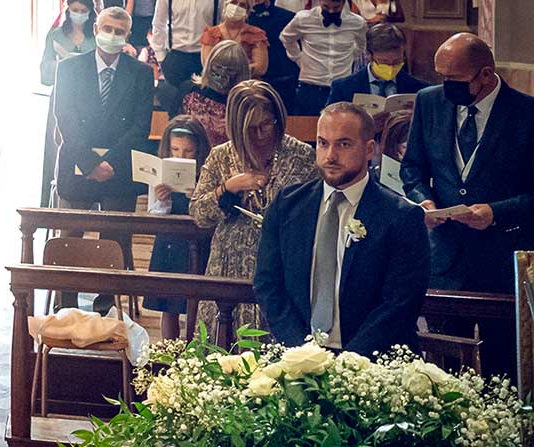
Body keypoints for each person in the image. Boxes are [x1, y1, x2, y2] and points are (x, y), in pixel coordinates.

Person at [253, 102, 428, 354]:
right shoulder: (287, 205)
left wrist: (348, 362)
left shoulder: (401, 216)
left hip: (372, 360)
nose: (330, 156)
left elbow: (400, 303)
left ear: (369, 149)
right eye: (323, 143)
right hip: (299, 356)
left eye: (343, 144)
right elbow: (268, 284)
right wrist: (303, 353)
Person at [400, 32, 534, 292]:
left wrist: (495, 212)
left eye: (455, 79)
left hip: (502, 258)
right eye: (442, 77)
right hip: (443, 257)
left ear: (486, 74)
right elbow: (412, 167)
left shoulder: (527, 113)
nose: (446, 85)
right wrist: (423, 201)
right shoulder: (428, 101)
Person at [190, 79, 316, 344]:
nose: (260, 134)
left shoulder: (301, 155)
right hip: (230, 263)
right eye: (251, 129)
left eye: (266, 124)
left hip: (283, 265)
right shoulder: (222, 156)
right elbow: (199, 214)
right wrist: (227, 189)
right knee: (223, 348)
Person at [50, 7, 154, 309]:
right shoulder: (69, 68)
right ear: (96, 29)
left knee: (115, 238)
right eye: (107, 29)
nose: (112, 35)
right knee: (70, 236)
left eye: (119, 31)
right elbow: (65, 118)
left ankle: (105, 305)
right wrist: (91, 163)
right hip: (77, 162)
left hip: (119, 166)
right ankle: (66, 304)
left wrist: (110, 163)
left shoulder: (141, 73)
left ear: (127, 35)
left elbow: (141, 127)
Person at [144, 117, 211, 340]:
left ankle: (194, 350)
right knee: (168, 304)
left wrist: (197, 199)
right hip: (169, 241)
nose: (181, 156)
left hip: (197, 241)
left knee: (196, 303)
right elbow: (153, 214)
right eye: (175, 150)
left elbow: (210, 215)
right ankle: (168, 350)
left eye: (188, 151)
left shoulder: (208, 173)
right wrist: (163, 200)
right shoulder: (160, 173)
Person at [279, 0, 367, 115]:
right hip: (310, 86)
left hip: (341, 86)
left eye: (336, 8)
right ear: (320, 0)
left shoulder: (357, 23)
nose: (331, 11)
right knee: (306, 126)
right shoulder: (303, 19)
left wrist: (349, 57)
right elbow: (286, 37)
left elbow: (361, 45)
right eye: (326, 7)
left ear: (343, 2)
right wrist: (298, 58)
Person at [151, 0, 222, 92]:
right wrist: (161, 56)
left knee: (204, 98)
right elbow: (159, 24)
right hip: (176, 56)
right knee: (174, 98)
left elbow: (224, 26)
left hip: (205, 56)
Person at [179, 40, 249, 151]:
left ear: (240, 72)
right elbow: (175, 126)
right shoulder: (189, 90)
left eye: (230, 70)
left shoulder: (243, 102)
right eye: (218, 67)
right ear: (209, 65)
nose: (222, 73)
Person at [329, 22, 423, 103]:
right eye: (384, 62)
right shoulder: (343, 88)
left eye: (397, 61)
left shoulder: (418, 88)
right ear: (369, 55)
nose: (390, 67)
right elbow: (330, 118)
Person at [244, 0, 301, 101]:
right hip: (253, 79)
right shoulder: (243, 20)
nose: (255, 4)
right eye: (251, 0)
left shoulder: (287, 18)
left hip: (283, 77)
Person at [198, 0, 269, 77]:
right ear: (226, 4)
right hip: (216, 81)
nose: (236, 7)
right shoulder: (211, 33)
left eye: (242, 5)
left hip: (246, 82)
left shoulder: (256, 34)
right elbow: (207, 63)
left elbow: (260, 68)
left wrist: (230, 72)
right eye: (233, 2)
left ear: (247, 11)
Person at [40, 0, 97, 88]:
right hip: (63, 88)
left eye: (83, 11)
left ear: (90, 12)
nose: (79, 14)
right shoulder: (55, 35)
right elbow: (45, 72)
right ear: (68, 9)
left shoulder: (97, 36)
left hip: (90, 88)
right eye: (75, 10)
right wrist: (62, 64)